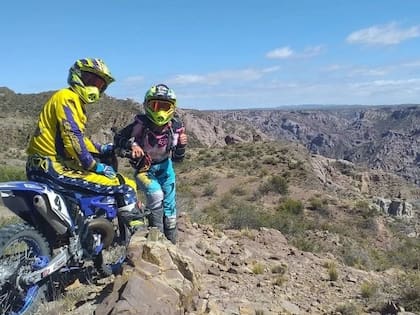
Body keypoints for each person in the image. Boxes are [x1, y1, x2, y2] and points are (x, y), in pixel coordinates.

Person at [26, 57, 143, 226]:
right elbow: (73, 139)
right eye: (91, 80)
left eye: (99, 85)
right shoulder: (67, 97)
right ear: (77, 76)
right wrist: (94, 166)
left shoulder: (71, 102)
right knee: (126, 186)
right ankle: (137, 241)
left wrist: (103, 148)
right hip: (54, 168)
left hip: (40, 166)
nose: (94, 87)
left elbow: (79, 138)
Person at [122, 84, 187, 243]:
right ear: (147, 105)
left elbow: (178, 159)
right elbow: (119, 140)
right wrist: (132, 145)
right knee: (156, 195)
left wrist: (181, 146)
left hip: (166, 168)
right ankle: (156, 240)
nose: (160, 112)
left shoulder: (175, 128)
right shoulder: (139, 125)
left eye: (165, 107)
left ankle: (171, 243)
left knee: (170, 208)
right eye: (156, 106)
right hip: (145, 170)